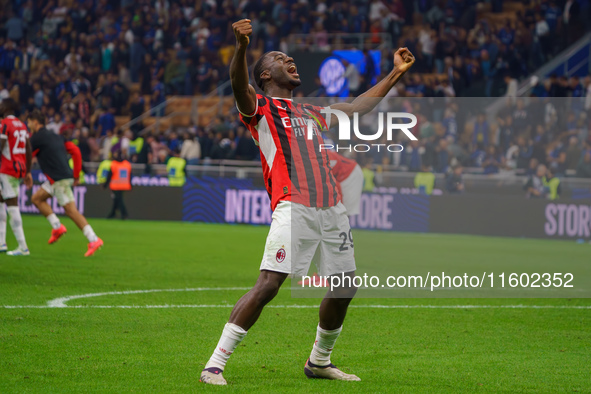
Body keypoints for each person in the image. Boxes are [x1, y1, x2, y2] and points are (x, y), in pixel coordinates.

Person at [200, 19, 414, 386]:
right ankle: (214, 364)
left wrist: (395, 73)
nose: (290, 60)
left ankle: (319, 361)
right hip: (293, 206)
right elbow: (239, 86)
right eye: (282, 59)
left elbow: (358, 107)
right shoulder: (260, 108)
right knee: (269, 284)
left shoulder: (310, 112)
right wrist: (240, 48)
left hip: (332, 208)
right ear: (266, 75)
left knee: (345, 287)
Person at [26, 110, 103, 257]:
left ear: (35, 122)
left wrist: (26, 172)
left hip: (58, 179)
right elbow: (75, 151)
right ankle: (57, 226)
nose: (28, 125)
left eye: (29, 122)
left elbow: (27, 155)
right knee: (36, 198)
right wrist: (76, 175)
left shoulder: (36, 138)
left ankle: (93, 239)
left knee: (71, 211)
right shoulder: (57, 137)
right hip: (61, 177)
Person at [0, 99, 32, 255]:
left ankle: (23, 246)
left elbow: (0, 145)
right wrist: (28, 171)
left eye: (1, 104)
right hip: (19, 167)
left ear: (7, 107)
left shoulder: (5, 123)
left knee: (12, 204)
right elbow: (28, 148)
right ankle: (1, 242)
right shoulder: (22, 124)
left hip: (7, 168)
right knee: (1, 200)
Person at [327, 151, 363, 216]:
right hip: (339, 177)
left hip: (350, 173)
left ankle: (345, 225)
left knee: (345, 210)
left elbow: (335, 160)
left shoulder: (325, 155)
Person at [105, 150, 132, 219]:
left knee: (119, 200)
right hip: (124, 185)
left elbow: (109, 175)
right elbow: (130, 175)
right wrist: (130, 184)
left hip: (116, 185)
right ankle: (113, 214)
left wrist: (105, 184)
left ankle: (124, 213)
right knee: (117, 200)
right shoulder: (127, 164)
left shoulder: (114, 164)